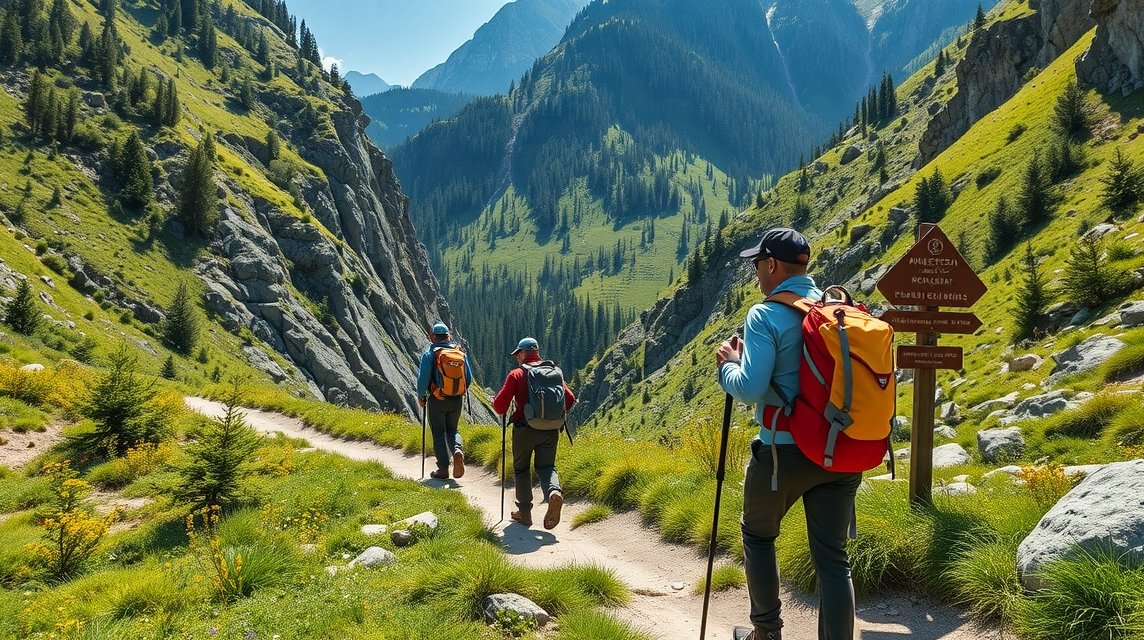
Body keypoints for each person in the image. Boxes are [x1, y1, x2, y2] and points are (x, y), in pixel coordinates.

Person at [715, 228, 862, 640]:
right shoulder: (837, 312)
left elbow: (750, 388)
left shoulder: (765, 314)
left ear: (773, 265)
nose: (757, 274)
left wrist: (729, 363)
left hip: (783, 453)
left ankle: (766, 632)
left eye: (758, 265)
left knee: (758, 537)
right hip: (840, 453)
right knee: (833, 560)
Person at [492, 337, 575, 529]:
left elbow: (499, 406)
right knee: (547, 467)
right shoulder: (553, 373)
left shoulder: (517, 374)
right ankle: (553, 491)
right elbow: (570, 399)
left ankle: (525, 513)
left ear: (522, 354)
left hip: (525, 429)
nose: (516, 359)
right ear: (536, 352)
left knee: (521, 469)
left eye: (517, 355)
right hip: (551, 430)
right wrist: (552, 417)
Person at [416, 322, 474, 480]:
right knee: (452, 430)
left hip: (437, 399)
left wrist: (422, 396)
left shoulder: (430, 354)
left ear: (432, 336)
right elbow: (468, 378)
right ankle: (457, 450)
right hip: (456, 400)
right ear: (448, 336)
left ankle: (443, 469)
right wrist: (457, 392)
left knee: (439, 432)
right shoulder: (459, 353)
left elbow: (423, 380)